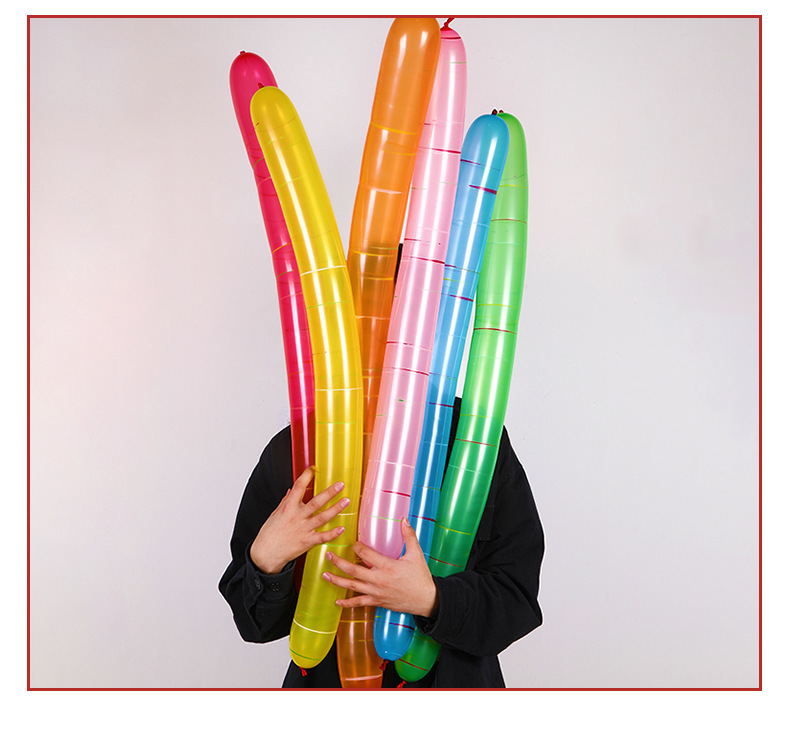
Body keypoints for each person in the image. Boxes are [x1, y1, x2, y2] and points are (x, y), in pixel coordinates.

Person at [218, 397, 545, 688]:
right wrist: (266, 562)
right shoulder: (294, 447)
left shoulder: (475, 439)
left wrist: (431, 599)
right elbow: (254, 625)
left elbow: (517, 600)